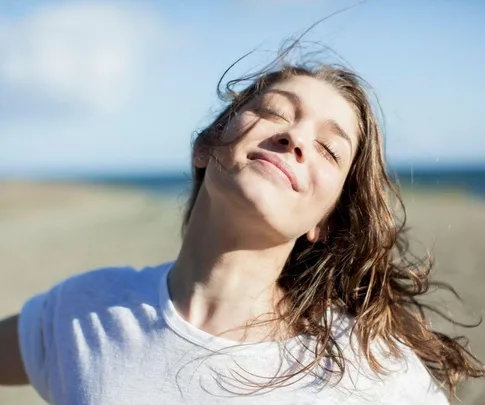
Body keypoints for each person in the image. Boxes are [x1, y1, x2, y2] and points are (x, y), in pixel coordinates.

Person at [0, 40, 483, 404]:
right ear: (206, 146)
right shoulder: (84, 312)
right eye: (274, 113)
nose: (295, 137)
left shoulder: (377, 373)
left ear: (326, 221)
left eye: (329, 150)